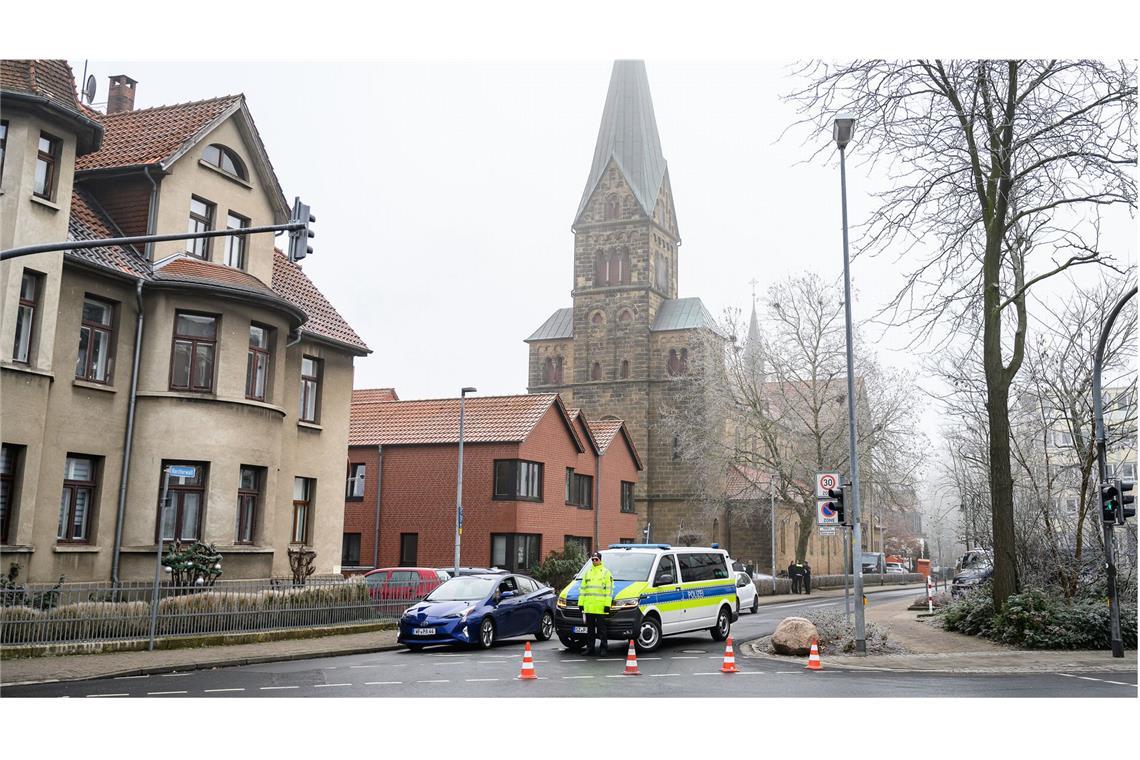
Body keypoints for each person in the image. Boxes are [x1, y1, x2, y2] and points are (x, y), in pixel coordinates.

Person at [578, 551, 613, 655]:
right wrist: (581, 603)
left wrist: (607, 605)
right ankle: (590, 648)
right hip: (589, 607)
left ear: (600, 560)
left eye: (596, 559)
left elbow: (609, 590)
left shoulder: (606, 573)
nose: (594, 561)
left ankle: (603, 648)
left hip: (600, 607)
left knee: (602, 630)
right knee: (590, 630)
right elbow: (583, 589)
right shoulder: (588, 572)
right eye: (592, 559)